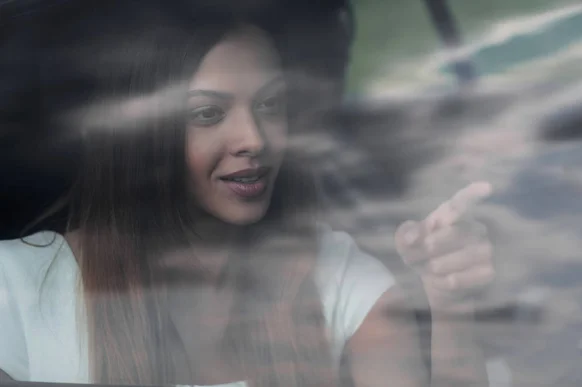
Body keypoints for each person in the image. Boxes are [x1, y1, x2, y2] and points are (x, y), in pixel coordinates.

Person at [0, 1, 494, 386]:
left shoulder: (338, 279)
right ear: (141, 138)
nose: (255, 139)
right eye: (207, 114)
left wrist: (450, 303)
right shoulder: (14, 291)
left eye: (270, 104)